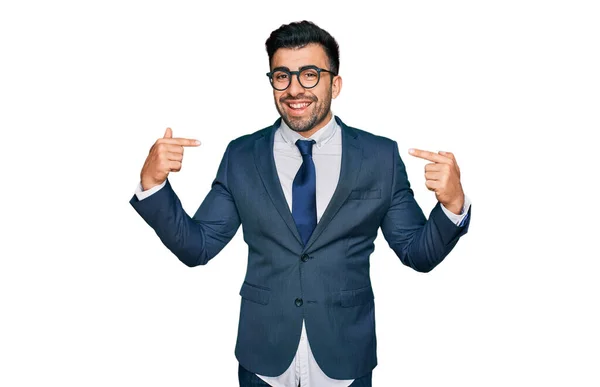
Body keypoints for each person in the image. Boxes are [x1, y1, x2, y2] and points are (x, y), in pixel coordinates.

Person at [130, 20, 471, 387]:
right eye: (282, 76)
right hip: (264, 357)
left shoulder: (379, 157)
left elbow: (416, 252)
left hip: (345, 357)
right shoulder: (242, 156)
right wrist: (154, 185)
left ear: (334, 84)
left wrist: (452, 204)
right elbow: (198, 246)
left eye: (309, 74)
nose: (294, 89)